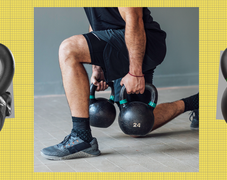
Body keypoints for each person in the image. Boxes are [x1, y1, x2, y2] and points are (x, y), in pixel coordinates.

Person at [40, 7, 167, 160]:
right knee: (135, 123)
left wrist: (135, 72)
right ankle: (192, 102)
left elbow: (134, 18)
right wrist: (98, 66)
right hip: (123, 40)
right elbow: (96, 21)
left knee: (68, 49)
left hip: (143, 41)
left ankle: (81, 136)